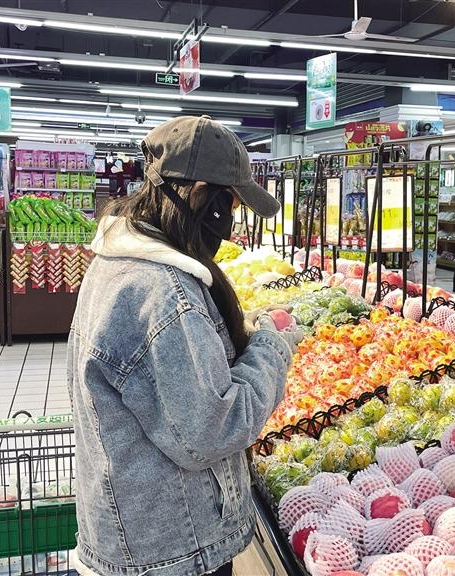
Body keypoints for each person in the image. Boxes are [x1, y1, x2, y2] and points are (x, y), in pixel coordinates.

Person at [68, 116, 302, 576]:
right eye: (229, 204)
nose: (230, 223)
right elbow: (213, 430)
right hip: (171, 553)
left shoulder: (118, 262)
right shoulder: (162, 294)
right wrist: (272, 347)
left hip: (135, 534)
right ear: (197, 194)